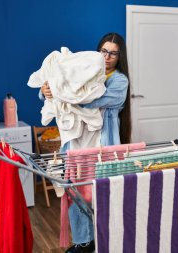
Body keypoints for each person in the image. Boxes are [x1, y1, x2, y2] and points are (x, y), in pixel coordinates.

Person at [40, 32, 131, 253]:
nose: (108, 57)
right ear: (98, 51)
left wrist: (63, 92)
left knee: (101, 193)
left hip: (101, 144)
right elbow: (59, 83)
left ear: (120, 57)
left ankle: (107, 239)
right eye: (104, 51)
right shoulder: (83, 72)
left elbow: (94, 101)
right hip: (76, 143)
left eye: (113, 53)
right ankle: (84, 241)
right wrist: (46, 91)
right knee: (75, 191)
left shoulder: (119, 80)